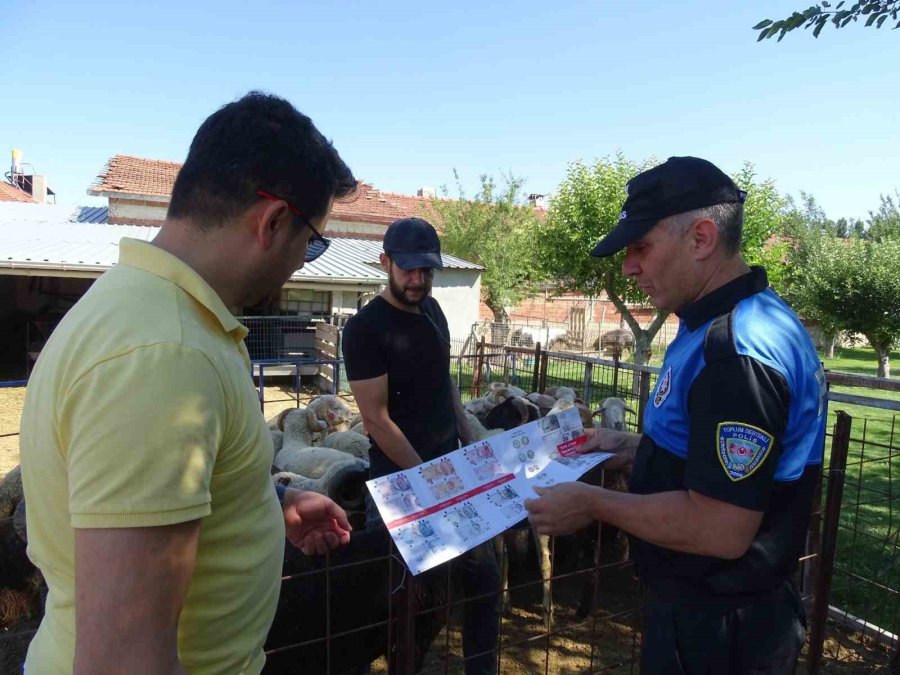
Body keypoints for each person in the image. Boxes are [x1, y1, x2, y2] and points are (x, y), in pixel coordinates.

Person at [19, 92, 356, 674]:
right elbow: (124, 661)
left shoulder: (155, 314)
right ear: (273, 222)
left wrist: (265, 503)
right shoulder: (163, 357)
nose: (306, 258)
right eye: (314, 240)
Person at [524, 156, 826, 674]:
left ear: (701, 238)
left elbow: (720, 528)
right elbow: (717, 463)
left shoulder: (736, 354)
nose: (628, 267)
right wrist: (629, 448)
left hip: (721, 631)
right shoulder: (714, 323)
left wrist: (593, 503)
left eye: (640, 247)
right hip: (705, 613)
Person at [342, 217, 500, 674]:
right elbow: (376, 418)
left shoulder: (434, 313)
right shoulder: (366, 330)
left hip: (451, 472)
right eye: (408, 270)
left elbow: (443, 384)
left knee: (484, 576)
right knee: (403, 600)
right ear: (385, 263)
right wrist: (427, 475)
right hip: (399, 483)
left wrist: (471, 442)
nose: (418, 280)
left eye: (426, 270)